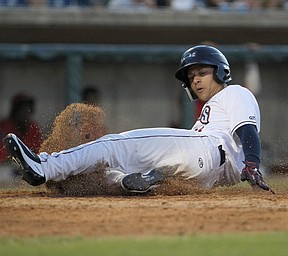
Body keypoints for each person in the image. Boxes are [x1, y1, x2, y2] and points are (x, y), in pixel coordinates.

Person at [4, 45, 273, 194]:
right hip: (204, 175)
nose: (196, 79)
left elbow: (247, 130)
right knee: (103, 173)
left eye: (202, 72)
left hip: (205, 149)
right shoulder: (210, 108)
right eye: (192, 77)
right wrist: (248, 166)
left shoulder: (235, 92)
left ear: (221, 72)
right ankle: (125, 182)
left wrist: (253, 163)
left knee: (114, 145)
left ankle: (44, 167)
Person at [0, 93, 43, 164]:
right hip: (6, 166)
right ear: (15, 111)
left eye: (28, 109)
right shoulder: (4, 126)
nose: (25, 113)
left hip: (28, 165)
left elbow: (39, 150)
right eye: (22, 109)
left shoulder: (33, 127)